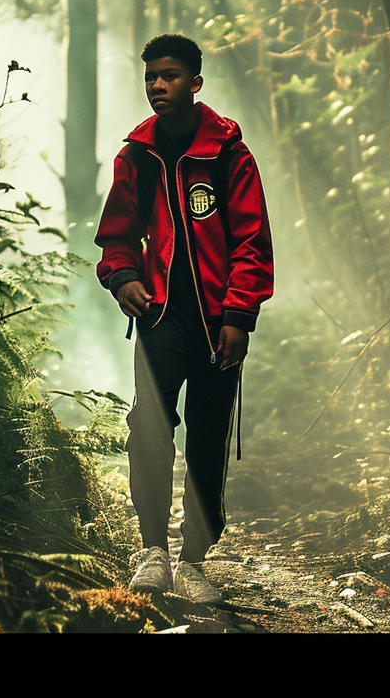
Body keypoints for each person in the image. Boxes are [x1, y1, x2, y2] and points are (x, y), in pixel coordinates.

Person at [95, 34, 274, 603]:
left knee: (207, 433)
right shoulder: (137, 157)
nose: (157, 86)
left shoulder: (229, 155)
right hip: (161, 317)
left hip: (219, 321)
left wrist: (240, 315)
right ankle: (153, 551)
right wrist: (123, 277)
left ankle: (194, 560)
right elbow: (116, 235)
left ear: (195, 83)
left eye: (169, 76)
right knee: (149, 424)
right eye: (150, 76)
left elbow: (251, 240)